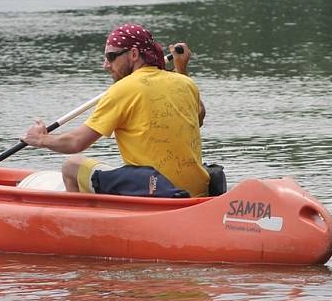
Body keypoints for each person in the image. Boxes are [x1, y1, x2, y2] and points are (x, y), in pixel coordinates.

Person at [20, 24, 210, 198]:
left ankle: (84, 229)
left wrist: (41, 140)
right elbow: (198, 117)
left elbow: (76, 143)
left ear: (134, 54)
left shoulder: (122, 90)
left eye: (111, 56)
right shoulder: (185, 82)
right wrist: (181, 69)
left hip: (157, 191)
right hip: (197, 190)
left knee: (71, 166)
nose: (105, 65)